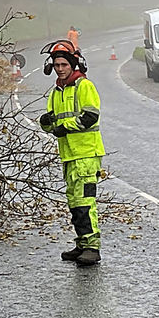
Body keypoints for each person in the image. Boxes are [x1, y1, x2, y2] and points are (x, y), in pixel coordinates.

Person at [38, 40, 105, 267]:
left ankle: (92, 248)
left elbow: (90, 117)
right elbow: (51, 123)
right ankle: (82, 243)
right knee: (74, 202)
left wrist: (64, 127)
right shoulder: (56, 92)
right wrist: (46, 123)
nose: (60, 69)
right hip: (69, 155)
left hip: (86, 154)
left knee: (85, 202)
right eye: (56, 65)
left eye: (64, 64)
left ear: (73, 65)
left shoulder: (84, 86)